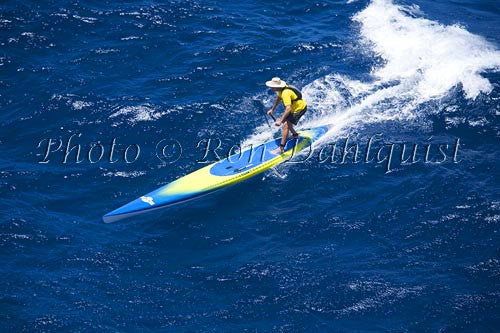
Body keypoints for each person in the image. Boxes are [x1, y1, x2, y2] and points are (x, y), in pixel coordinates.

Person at [265, 77, 308, 154]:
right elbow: (278, 98)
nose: (271, 87)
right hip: (294, 108)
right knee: (287, 122)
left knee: (285, 125)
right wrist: (272, 109)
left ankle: (281, 148)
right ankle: (295, 135)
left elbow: (288, 109)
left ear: (277, 86)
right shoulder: (281, 90)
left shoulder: (285, 93)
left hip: (299, 109)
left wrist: (280, 121)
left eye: (272, 86)